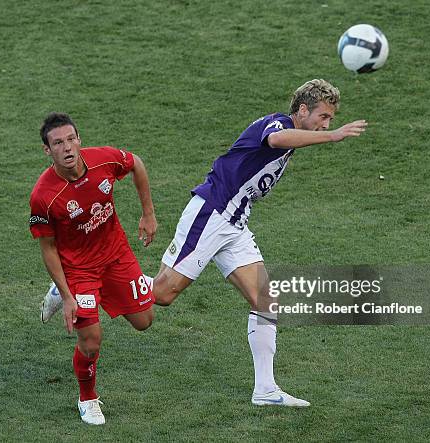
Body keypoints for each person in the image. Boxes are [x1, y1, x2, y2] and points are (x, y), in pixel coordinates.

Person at [151, 79, 367, 407]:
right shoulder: (276, 124)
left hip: (235, 223)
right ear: (303, 110)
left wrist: (324, 132)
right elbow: (277, 139)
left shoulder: (289, 133)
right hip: (213, 212)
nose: (326, 124)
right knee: (161, 294)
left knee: (266, 299)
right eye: (323, 116)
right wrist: (332, 136)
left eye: (331, 121)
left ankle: (265, 389)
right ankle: (89, 283)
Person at [29, 112, 157, 425]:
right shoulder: (43, 196)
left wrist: (148, 214)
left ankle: (65, 292)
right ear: (48, 151)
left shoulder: (103, 160)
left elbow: (136, 163)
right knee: (91, 340)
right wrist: (68, 294)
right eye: (58, 143)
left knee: (144, 321)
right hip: (78, 270)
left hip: (116, 256)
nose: (67, 147)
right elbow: (48, 249)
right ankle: (87, 397)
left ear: (79, 140)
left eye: (71, 139)